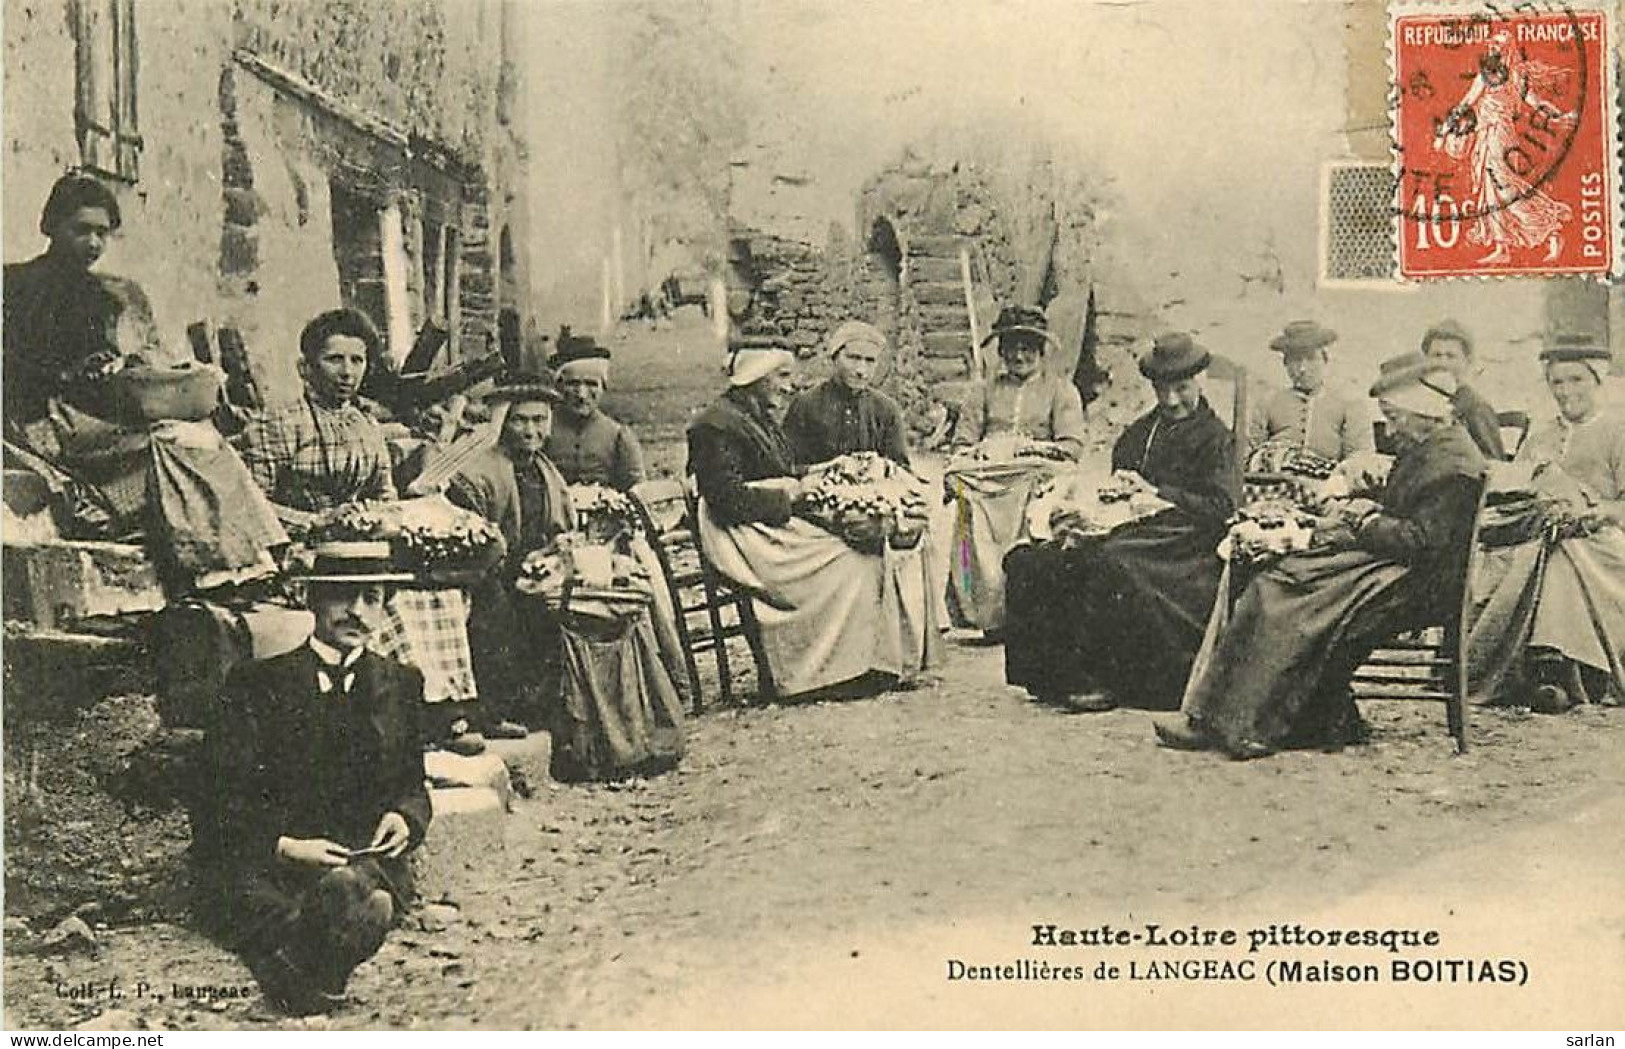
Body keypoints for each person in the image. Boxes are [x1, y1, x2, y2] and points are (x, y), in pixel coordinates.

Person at [1156, 355, 1486, 759]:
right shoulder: (1438, 447)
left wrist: (1364, 519)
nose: (1391, 430)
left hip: (1413, 585)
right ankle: (1234, 719)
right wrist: (1367, 503)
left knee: (1282, 590)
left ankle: (1247, 725)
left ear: (1425, 413)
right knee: (1282, 573)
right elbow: (1410, 517)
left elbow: (1418, 540)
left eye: (1395, 418)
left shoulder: (1453, 465)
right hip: (1396, 569)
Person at [3, 172, 286, 593]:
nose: (93, 243)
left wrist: (117, 366)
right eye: (81, 230)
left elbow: (113, 362)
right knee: (169, 443)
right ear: (51, 225)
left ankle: (249, 558)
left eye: (102, 233)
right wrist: (66, 376)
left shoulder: (106, 297)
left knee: (200, 438)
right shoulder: (14, 284)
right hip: (37, 419)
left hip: (91, 416)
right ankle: (209, 561)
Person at [201, 541, 430, 1015]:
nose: (358, 612)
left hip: (362, 859)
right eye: (343, 596)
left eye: (372, 598)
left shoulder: (402, 684)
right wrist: (286, 845)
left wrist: (404, 818)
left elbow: (412, 785)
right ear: (312, 598)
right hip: (277, 862)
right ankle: (327, 956)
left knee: (359, 888)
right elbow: (218, 797)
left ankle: (308, 960)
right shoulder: (256, 684)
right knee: (270, 902)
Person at [239, 308, 480, 731]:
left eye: (358, 360)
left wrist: (380, 518)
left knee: (430, 590)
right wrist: (317, 522)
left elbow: (385, 495)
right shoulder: (276, 424)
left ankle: (437, 709)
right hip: (300, 552)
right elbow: (253, 506)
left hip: (362, 545)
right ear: (305, 368)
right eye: (335, 360)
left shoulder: (365, 424)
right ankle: (384, 717)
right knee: (385, 600)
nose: (347, 372)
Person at [687, 344, 940, 700]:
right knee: (852, 560)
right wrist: (793, 496)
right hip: (741, 535)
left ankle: (853, 663)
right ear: (755, 378)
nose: (790, 385)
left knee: (862, 547)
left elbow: (783, 469)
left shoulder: (756, 415)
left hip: (765, 521)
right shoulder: (714, 425)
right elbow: (727, 499)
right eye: (782, 376)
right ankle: (817, 673)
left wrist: (824, 470)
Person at [1004, 332, 1237, 712]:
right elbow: (1114, 487)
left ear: (1198, 382)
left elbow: (1220, 507)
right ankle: (1048, 675)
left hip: (1186, 541)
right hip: (1130, 527)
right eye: (1162, 390)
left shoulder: (1217, 438)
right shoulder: (1140, 432)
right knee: (1031, 558)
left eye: (1181, 388)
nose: (1171, 400)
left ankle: (1105, 679)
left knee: (1110, 561)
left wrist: (1157, 492)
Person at [1467, 336, 1623, 711]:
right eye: (1557, 382)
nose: (1566, 391)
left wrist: (1594, 513)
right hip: (1538, 536)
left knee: (1561, 557)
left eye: (1576, 380)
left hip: (1603, 541)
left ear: (1597, 380)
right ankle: (1526, 668)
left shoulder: (1618, 431)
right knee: (1529, 556)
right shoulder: (1540, 435)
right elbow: (1516, 489)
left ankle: (1559, 669)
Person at [945, 305, 1087, 633]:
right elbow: (962, 443)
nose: (1019, 356)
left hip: (1036, 478)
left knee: (1041, 509)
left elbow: (1072, 447)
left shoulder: (1062, 391)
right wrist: (984, 452)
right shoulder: (981, 391)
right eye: (1011, 347)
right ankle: (988, 615)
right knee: (970, 502)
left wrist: (1032, 449)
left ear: (1040, 351)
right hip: (988, 480)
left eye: (1027, 348)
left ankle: (1030, 613)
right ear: (1000, 351)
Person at [448, 374, 577, 734]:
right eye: (520, 420)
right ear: (503, 422)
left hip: (537, 568)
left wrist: (553, 554)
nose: (530, 430)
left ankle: (561, 703)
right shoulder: (478, 474)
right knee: (500, 611)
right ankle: (499, 709)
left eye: (539, 420)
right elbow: (473, 542)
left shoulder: (544, 469)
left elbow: (557, 526)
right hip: (489, 572)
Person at [784, 320, 911, 467]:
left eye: (870, 361)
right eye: (853, 358)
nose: (861, 370)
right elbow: (789, 466)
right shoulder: (805, 405)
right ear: (835, 358)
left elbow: (901, 469)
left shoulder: (886, 410)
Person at [1247, 320, 1372, 469]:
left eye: (1311, 359)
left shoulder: (1349, 405)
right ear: (1285, 363)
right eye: (1295, 360)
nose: (1302, 369)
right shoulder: (1268, 403)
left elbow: (1360, 457)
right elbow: (1250, 453)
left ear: (1325, 359)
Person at [543, 329, 647, 491]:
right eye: (573, 384)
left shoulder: (618, 436)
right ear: (559, 387)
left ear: (603, 388)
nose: (581, 394)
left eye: (591, 384)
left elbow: (638, 491)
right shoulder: (543, 428)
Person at [1421, 319, 1507, 460]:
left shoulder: (1475, 407)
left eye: (1451, 356)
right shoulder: (1422, 403)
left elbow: (1493, 463)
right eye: (1436, 355)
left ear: (1467, 361)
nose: (1442, 363)